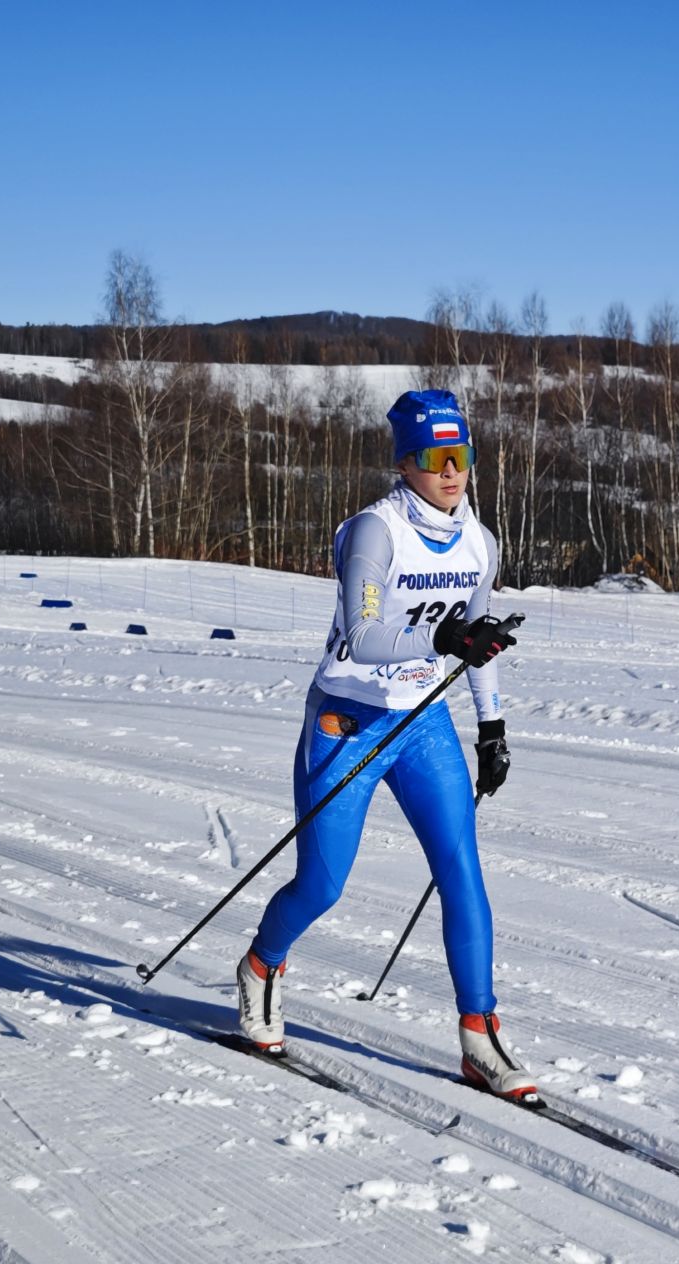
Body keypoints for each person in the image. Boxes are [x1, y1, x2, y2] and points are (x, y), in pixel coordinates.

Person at [236, 389, 535, 1100]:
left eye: (461, 455)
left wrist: (491, 727)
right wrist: (445, 636)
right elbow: (364, 636)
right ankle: (261, 965)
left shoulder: (478, 541)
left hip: (423, 723)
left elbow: (478, 641)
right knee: (323, 884)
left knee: (462, 873)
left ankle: (479, 1034)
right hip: (349, 719)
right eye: (434, 457)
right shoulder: (375, 532)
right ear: (405, 462)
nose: (452, 471)